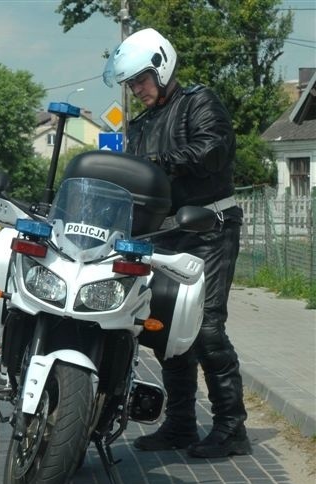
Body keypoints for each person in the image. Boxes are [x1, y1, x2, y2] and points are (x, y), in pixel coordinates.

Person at [103, 28, 251, 458]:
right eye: (131, 84)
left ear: (162, 67)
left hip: (209, 228)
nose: (137, 90)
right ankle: (182, 424)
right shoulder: (140, 125)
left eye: (141, 80)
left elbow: (213, 149)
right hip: (163, 233)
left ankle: (232, 426)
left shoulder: (199, 103)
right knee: (167, 330)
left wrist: (159, 162)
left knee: (205, 329)